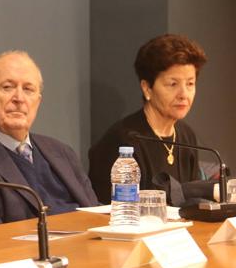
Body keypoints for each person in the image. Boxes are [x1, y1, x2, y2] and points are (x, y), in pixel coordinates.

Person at [0, 50, 98, 232]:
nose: (19, 98)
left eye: (28, 89)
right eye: (7, 87)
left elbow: (95, 215)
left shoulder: (62, 152)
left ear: (38, 101)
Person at [88, 34, 208, 204]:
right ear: (147, 89)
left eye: (190, 84)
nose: (184, 95)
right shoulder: (124, 139)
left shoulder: (186, 135)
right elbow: (107, 210)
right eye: (173, 84)